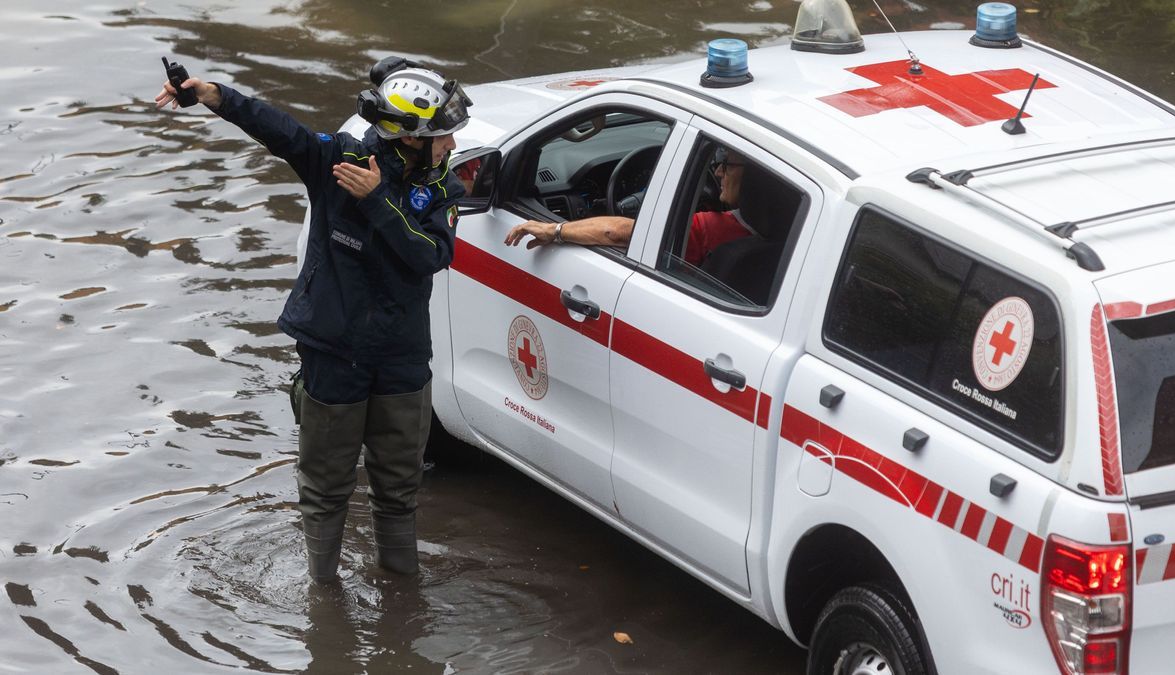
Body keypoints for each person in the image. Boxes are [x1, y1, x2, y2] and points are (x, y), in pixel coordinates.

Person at [155, 57, 472, 582]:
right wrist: (213, 94)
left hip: (402, 356)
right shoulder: (337, 160)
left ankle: (401, 589)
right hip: (333, 351)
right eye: (444, 136)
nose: (453, 146)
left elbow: (428, 256)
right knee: (325, 488)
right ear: (409, 138)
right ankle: (324, 606)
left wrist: (377, 202)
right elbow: (279, 130)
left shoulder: (442, 189)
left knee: (400, 486)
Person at [503, 147, 754, 266]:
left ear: (756, 178)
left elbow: (617, 232)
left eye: (727, 164)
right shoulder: (786, 229)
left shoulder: (713, 230)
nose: (719, 171)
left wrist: (554, 231)